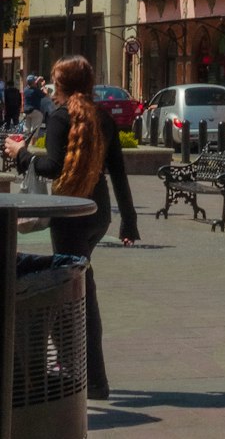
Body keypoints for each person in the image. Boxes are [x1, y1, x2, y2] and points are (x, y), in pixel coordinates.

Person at [3, 53, 139, 401]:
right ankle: (88, 374)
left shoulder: (60, 117)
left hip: (69, 217)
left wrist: (20, 152)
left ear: (60, 85)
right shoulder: (103, 117)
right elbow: (119, 173)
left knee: (74, 298)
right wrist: (129, 221)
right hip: (97, 212)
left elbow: (50, 167)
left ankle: (88, 377)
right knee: (82, 290)